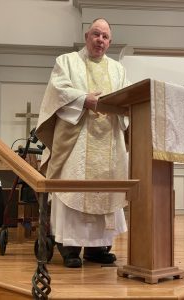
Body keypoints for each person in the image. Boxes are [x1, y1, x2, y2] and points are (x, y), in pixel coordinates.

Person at [36, 18, 130, 268]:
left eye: (105, 37)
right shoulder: (66, 61)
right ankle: (70, 249)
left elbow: (126, 98)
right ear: (87, 35)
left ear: (110, 42)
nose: (100, 40)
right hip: (76, 140)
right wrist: (83, 99)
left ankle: (97, 248)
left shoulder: (118, 69)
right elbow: (58, 90)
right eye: (96, 34)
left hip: (108, 142)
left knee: (105, 195)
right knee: (73, 192)